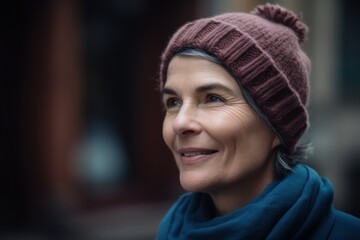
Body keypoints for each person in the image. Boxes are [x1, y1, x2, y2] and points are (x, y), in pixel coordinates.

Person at [156, 3, 360, 239]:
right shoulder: (170, 231)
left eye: (213, 98)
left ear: (276, 123)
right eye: (173, 102)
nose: (180, 123)